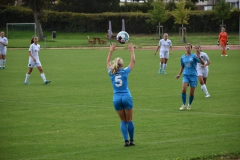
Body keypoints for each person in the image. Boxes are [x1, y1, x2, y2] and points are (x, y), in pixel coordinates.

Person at [106, 43, 136, 147]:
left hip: (117, 98)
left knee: (123, 120)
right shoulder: (125, 71)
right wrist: (131, 50)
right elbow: (133, 62)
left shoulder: (111, 72)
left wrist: (111, 51)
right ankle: (132, 141)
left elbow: (107, 62)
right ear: (122, 64)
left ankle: (126, 141)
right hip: (126, 97)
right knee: (129, 120)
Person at [175, 43, 204, 110]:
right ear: (185, 48)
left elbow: (202, 63)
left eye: (189, 48)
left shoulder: (194, 56)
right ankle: (184, 104)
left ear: (191, 49)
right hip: (186, 75)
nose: (188, 49)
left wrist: (199, 57)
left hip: (193, 76)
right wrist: (179, 74)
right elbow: (182, 66)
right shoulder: (183, 57)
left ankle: (189, 104)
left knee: (191, 93)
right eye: (186, 48)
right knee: (183, 89)